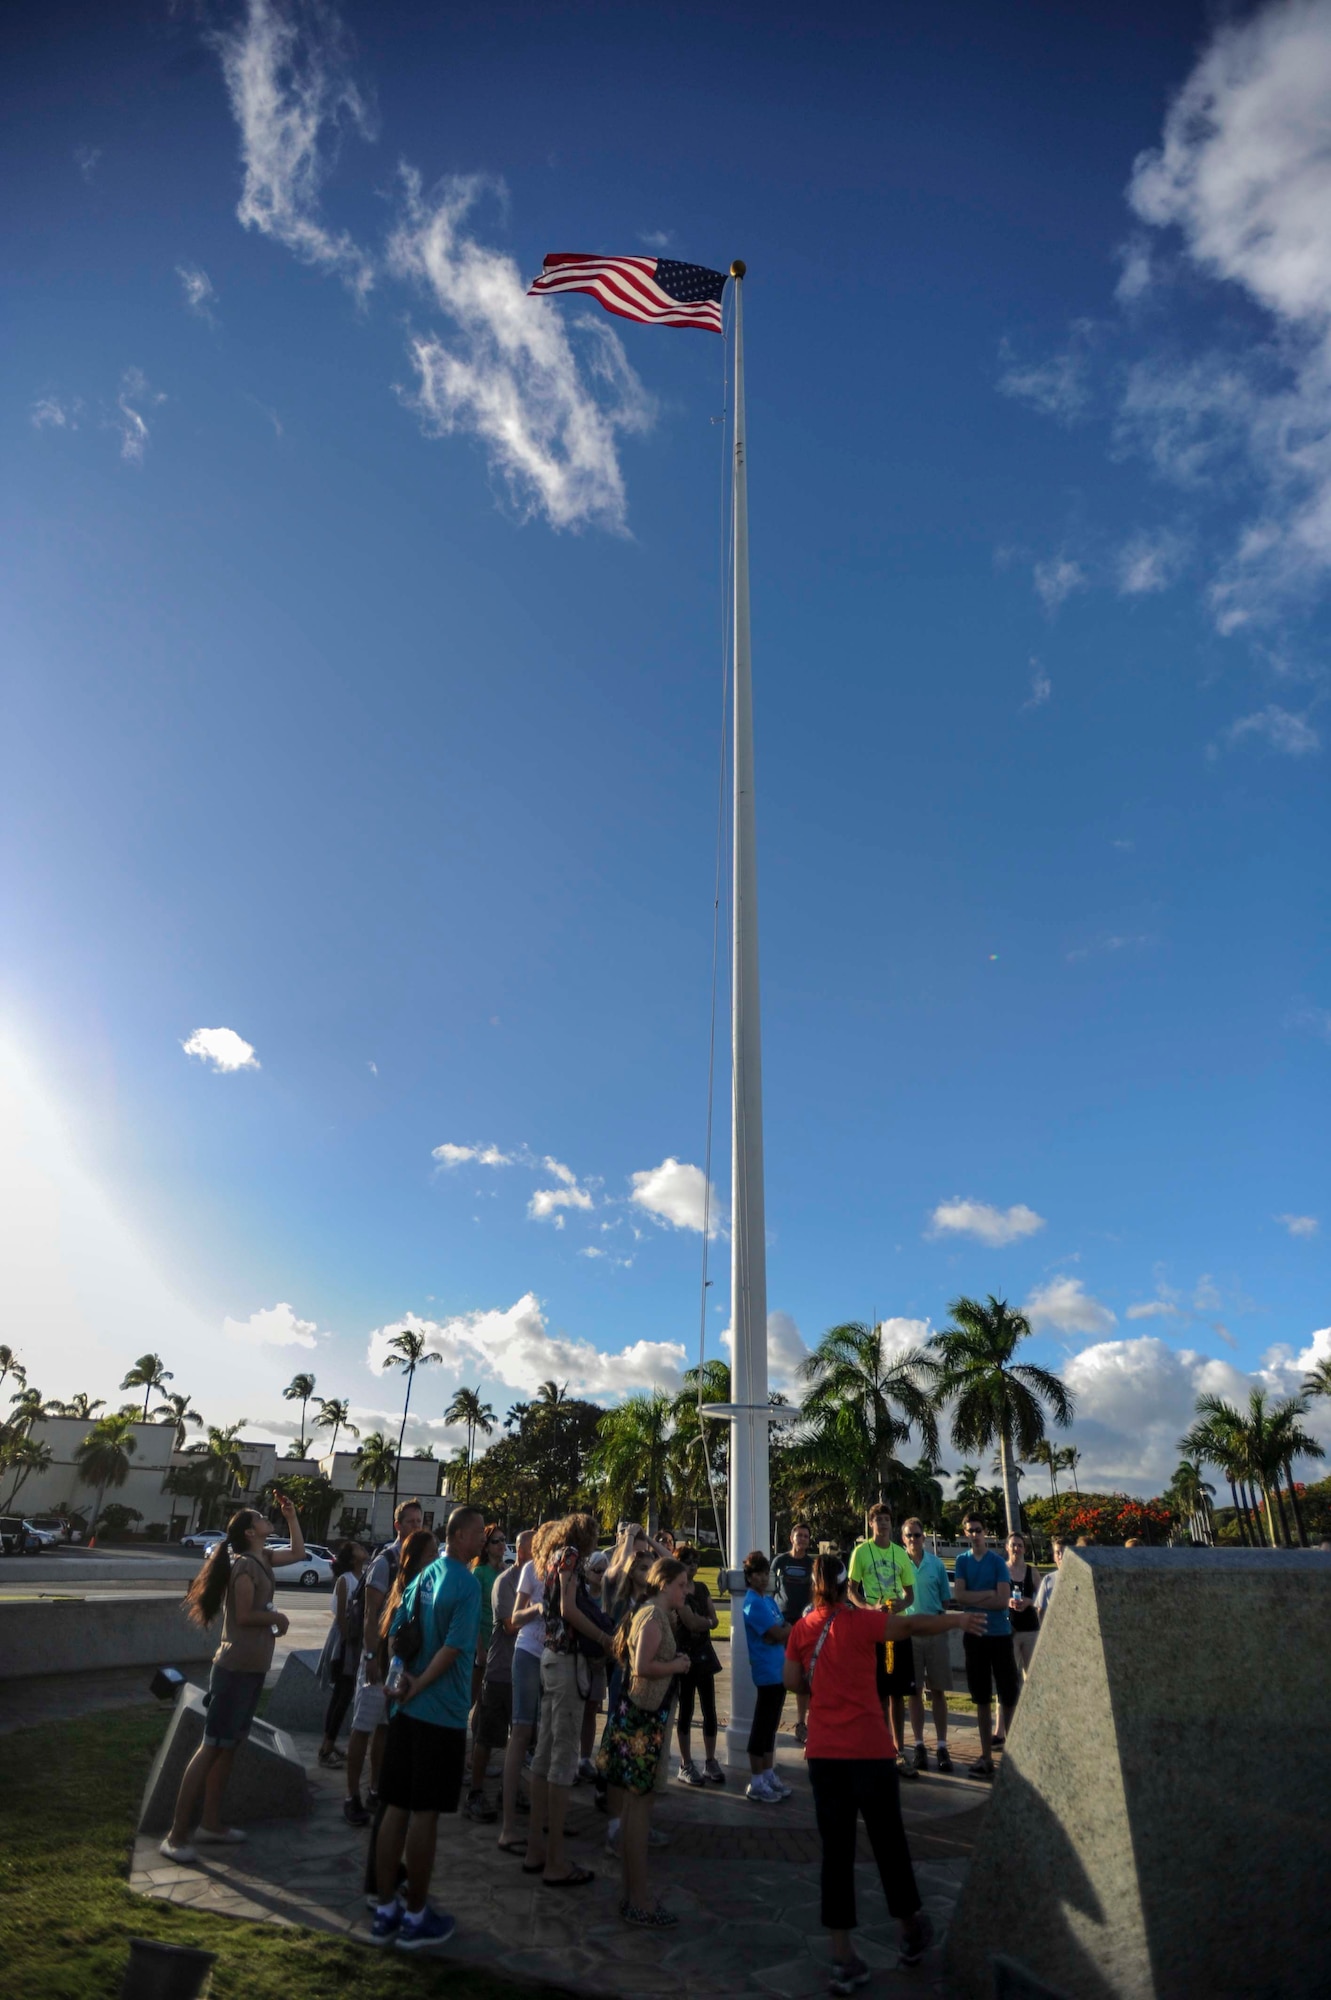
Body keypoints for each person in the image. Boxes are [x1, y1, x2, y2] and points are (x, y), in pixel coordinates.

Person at [783, 1554, 986, 1989]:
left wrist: (819, 1683)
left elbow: (790, 1680)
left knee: (835, 1854)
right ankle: (910, 1929)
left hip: (824, 1756)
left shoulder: (802, 1629)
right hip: (870, 1753)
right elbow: (910, 1626)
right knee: (889, 1843)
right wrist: (955, 1621)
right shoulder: (861, 1624)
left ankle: (842, 1956)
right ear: (843, 1585)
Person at [159, 1494, 308, 1861]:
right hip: (233, 1670)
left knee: (229, 1747)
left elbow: (300, 1554)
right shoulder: (244, 1566)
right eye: (260, 1517)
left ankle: (211, 1824)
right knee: (212, 1747)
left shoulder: (264, 1559)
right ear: (249, 1531)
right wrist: (278, 1618)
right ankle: (176, 1836)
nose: (265, 1517)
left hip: (251, 1668)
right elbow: (243, 1615)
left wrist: (291, 1518)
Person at [369, 1505, 487, 1950]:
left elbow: (397, 1632)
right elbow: (455, 1649)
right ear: (458, 1536)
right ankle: (416, 1916)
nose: (482, 1540)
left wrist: (400, 1678)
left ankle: (384, 1911)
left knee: (395, 1807)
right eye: (477, 1533)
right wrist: (417, 1684)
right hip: (440, 1715)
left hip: (406, 1713)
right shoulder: (467, 1584)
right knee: (424, 1815)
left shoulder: (422, 1577)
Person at [524, 1513, 615, 1887]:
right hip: (567, 1663)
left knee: (544, 1757)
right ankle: (556, 1861)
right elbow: (568, 1609)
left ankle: (535, 1849)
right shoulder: (572, 1556)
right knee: (562, 1760)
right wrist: (605, 1638)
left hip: (550, 1659)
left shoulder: (551, 1557)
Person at [601, 1556, 692, 1927]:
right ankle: (638, 1900)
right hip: (641, 1721)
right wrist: (677, 1665)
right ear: (666, 1583)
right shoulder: (653, 1616)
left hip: (639, 1717)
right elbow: (642, 1666)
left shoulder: (652, 1612)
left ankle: (633, 1894)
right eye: (682, 1585)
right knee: (638, 1810)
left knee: (636, 1808)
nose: (686, 1591)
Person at [344, 1498, 425, 1827]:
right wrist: (370, 1655)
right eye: (410, 1522)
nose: (415, 1527)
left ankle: (376, 1787)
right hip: (377, 1658)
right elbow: (370, 1615)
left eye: (420, 1522)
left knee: (385, 1729)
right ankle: (351, 1796)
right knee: (362, 1728)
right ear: (397, 1525)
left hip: (400, 1660)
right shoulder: (385, 1561)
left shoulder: (416, 1563)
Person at [848, 1503, 918, 1781]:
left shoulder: (900, 1553)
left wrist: (900, 1603)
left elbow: (910, 1594)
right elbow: (851, 1590)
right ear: (871, 1524)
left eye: (887, 1519)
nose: (883, 1524)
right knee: (875, 1690)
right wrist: (867, 1608)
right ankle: (878, 1747)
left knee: (897, 1692)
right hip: (872, 1628)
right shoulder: (861, 1552)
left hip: (896, 1627)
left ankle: (899, 1748)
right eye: (878, 1520)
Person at [498, 1519, 556, 1851]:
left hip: (556, 1659)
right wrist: (537, 1607)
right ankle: (508, 1827)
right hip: (528, 1654)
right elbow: (513, 1620)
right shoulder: (531, 1570)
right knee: (520, 1733)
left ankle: (544, 1817)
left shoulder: (566, 1569)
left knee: (547, 1736)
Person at [472, 1527, 531, 1833]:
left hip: (527, 1671)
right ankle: (477, 1791)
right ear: (521, 1551)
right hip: (501, 1669)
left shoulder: (539, 1581)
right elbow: (510, 1626)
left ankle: (513, 1789)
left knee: (519, 1736)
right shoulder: (504, 1581)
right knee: (488, 1733)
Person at [951, 1513, 1017, 1780]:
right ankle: (986, 1756)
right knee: (980, 1698)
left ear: (985, 1531)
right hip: (974, 1634)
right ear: (965, 1533)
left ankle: (1014, 1758)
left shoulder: (998, 1562)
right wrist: (987, 1595)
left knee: (1008, 1694)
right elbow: (960, 1596)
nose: (975, 1535)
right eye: (970, 1531)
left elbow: (1003, 1601)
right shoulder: (961, 1561)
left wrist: (978, 1600)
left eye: (978, 1530)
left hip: (1000, 1635)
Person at [900, 1519, 953, 1774]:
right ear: (903, 1538)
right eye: (909, 1536)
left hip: (934, 1631)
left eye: (918, 1535)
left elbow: (946, 1599)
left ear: (924, 1537)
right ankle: (919, 1744)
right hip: (910, 1634)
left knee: (938, 1690)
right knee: (914, 1691)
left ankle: (942, 1745)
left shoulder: (937, 1564)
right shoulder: (899, 1564)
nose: (914, 1539)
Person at [741, 1550, 792, 1801]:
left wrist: (781, 1631)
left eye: (765, 1573)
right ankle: (756, 1780)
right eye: (757, 1574)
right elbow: (777, 1632)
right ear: (748, 1577)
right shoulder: (752, 1603)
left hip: (779, 1669)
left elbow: (781, 1630)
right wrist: (782, 1631)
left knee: (771, 1727)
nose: (762, 1578)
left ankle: (768, 1773)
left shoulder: (769, 1601)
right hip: (766, 1671)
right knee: (762, 1726)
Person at [673, 1543, 722, 1786]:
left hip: (704, 1654)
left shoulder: (701, 1588)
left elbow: (713, 1620)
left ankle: (711, 1760)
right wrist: (705, 1621)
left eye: (695, 1561)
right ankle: (685, 1762)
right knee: (686, 1710)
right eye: (687, 1561)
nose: (692, 1566)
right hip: (684, 1656)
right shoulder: (678, 1591)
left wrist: (704, 1621)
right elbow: (691, 1622)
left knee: (709, 1709)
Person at [318, 1539, 368, 1768]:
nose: (362, 1548)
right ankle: (327, 1748)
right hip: (344, 1644)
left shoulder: (363, 1577)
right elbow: (340, 1616)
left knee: (343, 1695)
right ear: (351, 1558)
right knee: (342, 1694)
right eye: (357, 1547)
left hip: (354, 1644)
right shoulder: (345, 1580)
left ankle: (329, 1743)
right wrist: (349, 1642)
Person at [772, 1523, 815, 1744]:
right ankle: (773, 1721)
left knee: (803, 1675)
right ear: (791, 1537)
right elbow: (771, 1590)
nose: (802, 1539)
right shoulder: (780, 1561)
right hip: (783, 1622)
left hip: (805, 1623)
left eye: (806, 1536)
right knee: (780, 1673)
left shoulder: (812, 1563)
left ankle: (801, 1723)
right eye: (799, 1535)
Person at [577, 1547, 611, 1781]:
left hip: (600, 1661)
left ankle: (585, 1757)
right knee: (575, 1707)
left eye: (604, 1570)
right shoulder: (580, 1594)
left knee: (591, 1709)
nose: (600, 1574)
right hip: (580, 1656)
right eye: (596, 1570)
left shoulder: (609, 1596)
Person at [470, 1524, 507, 1710]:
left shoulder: (506, 1572)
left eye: (503, 1540)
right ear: (486, 1546)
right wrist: (479, 1649)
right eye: (495, 1541)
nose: (501, 1544)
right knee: (473, 1696)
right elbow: (472, 1613)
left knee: (488, 1701)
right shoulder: (479, 1573)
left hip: (499, 1644)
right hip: (481, 1642)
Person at [1006, 1532, 1040, 1684]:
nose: (1016, 1548)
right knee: (1007, 1676)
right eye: (1013, 1545)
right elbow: (994, 1597)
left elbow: (1042, 1599)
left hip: (1030, 1630)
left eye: (1020, 1545)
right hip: (1008, 1630)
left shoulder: (1032, 1572)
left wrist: (1029, 1601)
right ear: (1007, 1547)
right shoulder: (1001, 1570)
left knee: (1032, 1677)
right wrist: (1008, 1601)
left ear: (1024, 1549)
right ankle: (1005, 1708)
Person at [1035, 1536, 1066, 1622]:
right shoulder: (1048, 1580)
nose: (1061, 1556)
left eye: (1064, 1552)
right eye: (1057, 1553)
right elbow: (1041, 1611)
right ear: (1054, 1557)